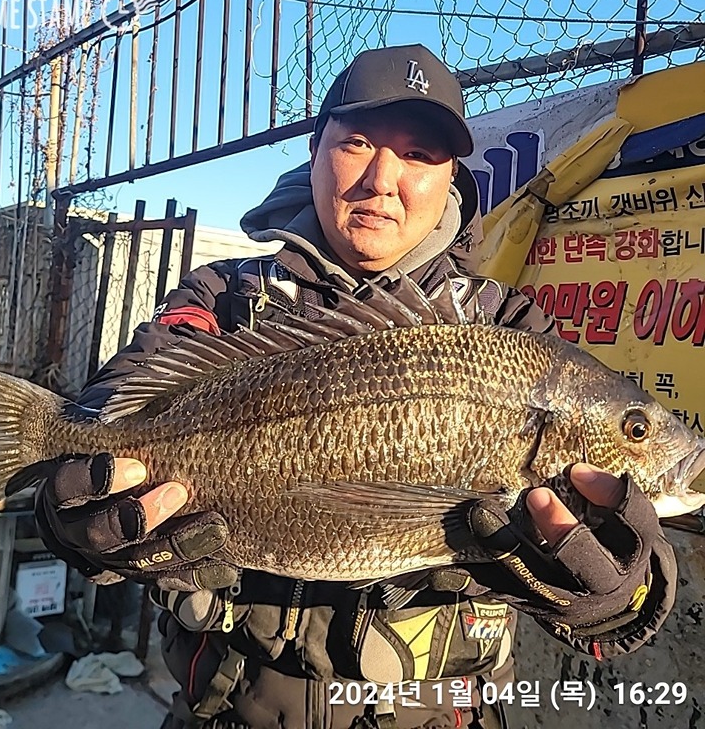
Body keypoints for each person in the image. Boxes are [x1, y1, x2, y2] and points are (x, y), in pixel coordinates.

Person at [34, 45, 677, 729]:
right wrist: (76, 516)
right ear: (315, 150)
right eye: (359, 142)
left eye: (420, 155)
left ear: (452, 176)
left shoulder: (508, 329)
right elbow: (106, 419)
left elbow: (622, 615)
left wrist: (617, 589)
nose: (382, 178)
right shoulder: (222, 302)